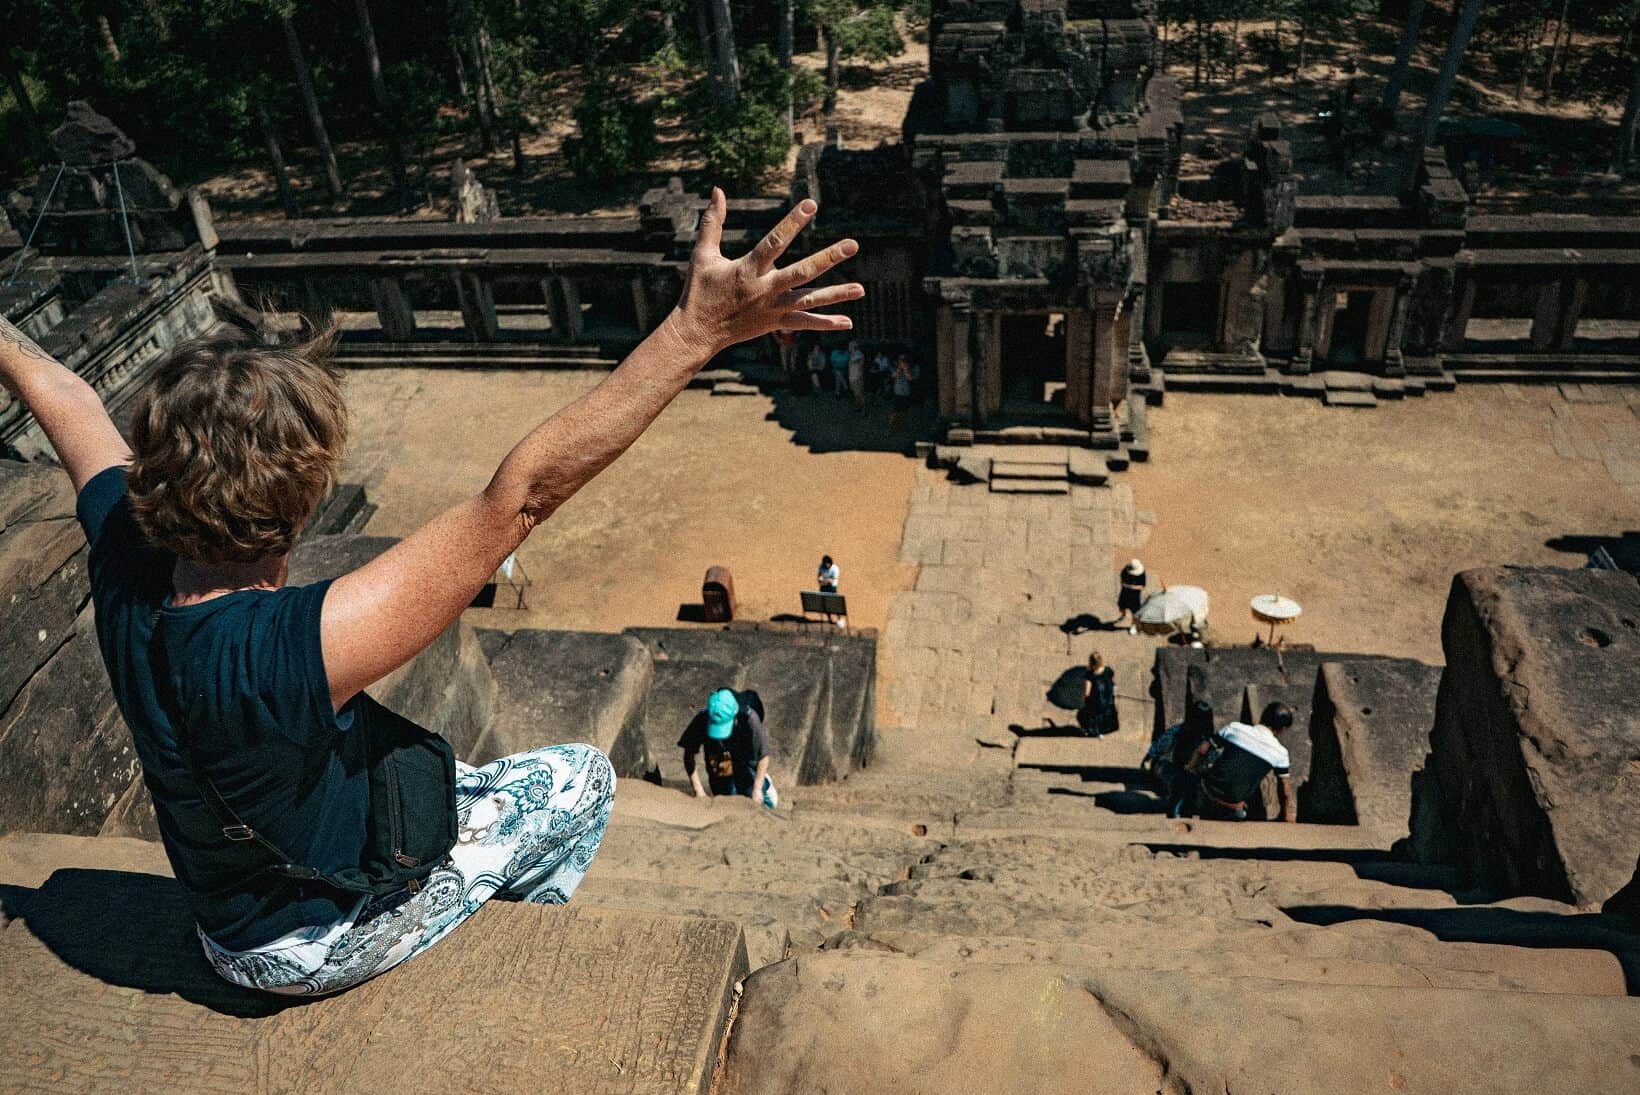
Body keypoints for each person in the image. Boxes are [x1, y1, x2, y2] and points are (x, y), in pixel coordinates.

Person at [0, 188, 861, 996]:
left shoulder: (123, 550)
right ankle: (504, 962)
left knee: (470, 780)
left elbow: (64, 393)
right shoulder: (295, 644)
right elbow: (520, 497)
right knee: (581, 779)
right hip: (308, 942)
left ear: (154, 464)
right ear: (303, 503)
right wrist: (693, 333)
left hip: (224, 917)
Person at [1187, 702, 1297, 822]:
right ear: (1282, 729)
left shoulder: (1235, 728)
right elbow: (1285, 791)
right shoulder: (1280, 753)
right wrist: (1286, 816)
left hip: (1206, 794)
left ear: (1263, 716)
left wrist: (1191, 770)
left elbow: (1202, 750)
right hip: (1232, 807)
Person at [679, 689, 777, 808]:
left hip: (744, 752)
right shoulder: (702, 718)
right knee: (728, 799)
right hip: (718, 756)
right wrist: (698, 790)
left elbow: (764, 756)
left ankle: (762, 781)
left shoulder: (749, 719)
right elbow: (688, 754)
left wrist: (757, 790)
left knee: (763, 800)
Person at [1076, 651, 1119, 737]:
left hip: (1096, 704)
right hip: (1108, 700)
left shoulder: (1090, 675)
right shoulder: (1108, 670)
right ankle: (1104, 730)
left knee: (1081, 715)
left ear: (1091, 662)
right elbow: (1112, 682)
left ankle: (1092, 731)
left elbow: (1087, 693)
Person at [1115, 558, 1146, 634]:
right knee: (1121, 607)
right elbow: (1122, 582)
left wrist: (1130, 587)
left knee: (1134, 613)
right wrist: (1127, 586)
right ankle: (1123, 614)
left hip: (1135, 596)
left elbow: (1142, 586)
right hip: (1124, 594)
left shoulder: (1142, 574)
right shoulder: (1125, 571)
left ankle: (1133, 625)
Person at [889, 354, 915, 430]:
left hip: (906, 392)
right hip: (898, 392)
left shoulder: (909, 368)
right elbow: (893, 376)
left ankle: (902, 425)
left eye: (904, 361)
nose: (902, 363)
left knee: (904, 410)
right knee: (895, 410)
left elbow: (910, 378)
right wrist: (899, 369)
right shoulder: (896, 368)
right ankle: (892, 425)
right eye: (901, 361)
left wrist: (905, 369)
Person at [846, 339, 867, 410]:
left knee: (859, 394)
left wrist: (859, 376)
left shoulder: (858, 354)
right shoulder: (851, 355)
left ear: (853, 346)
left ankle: (864, 408)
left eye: (850, 345)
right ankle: (858, 406)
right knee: (855, 393)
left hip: (857, 377)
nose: (848, 347)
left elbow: (859, 363)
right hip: (852, 377)